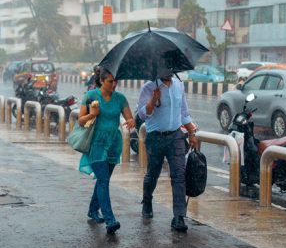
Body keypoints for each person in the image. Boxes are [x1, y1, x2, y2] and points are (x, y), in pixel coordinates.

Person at [137, 72, 198, 233]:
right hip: (155, 137)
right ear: (159, 68)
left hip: (176, 136)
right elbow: (142, 114)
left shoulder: (179, 85)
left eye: (172, 67)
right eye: (167, 66)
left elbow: (184, 113)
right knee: (152, 174)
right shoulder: (148, 87)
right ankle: (147, 200)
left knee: (179, 175)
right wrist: (153, 100)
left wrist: (191, 133)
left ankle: (179, 216)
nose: (170, 70)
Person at [78, 68, 136, 234]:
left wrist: (131, 121)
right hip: (96, 143)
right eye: (110, 81)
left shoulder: (120, 98)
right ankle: (110, 220)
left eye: (115, 81)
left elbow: (128, 117)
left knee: (103, 180)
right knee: (103, 180)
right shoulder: (91, 96)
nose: (114, 84)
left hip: (113, 143)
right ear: (102, 81)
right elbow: (81, 121)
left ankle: (92, 210)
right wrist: (92, 114)